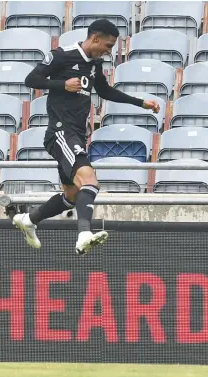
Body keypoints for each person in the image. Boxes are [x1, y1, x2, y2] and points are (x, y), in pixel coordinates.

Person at [12, 19, 160, 256]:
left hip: (77, 134)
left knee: (72, 195)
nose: (109, 51)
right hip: (61, 131)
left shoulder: (94, 64)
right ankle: (84, 235)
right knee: (90, 181)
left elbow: (104, 90)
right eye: (109, 45)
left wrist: (141, 103)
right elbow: (31, 80)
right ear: (95, 38)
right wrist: (62, 84)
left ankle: (29, 219)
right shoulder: (62, 55)